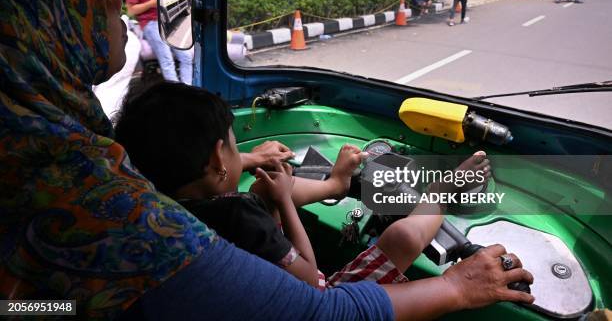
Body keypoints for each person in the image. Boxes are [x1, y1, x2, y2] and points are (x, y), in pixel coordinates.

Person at [0, 0, 535, 319]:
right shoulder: (104, 202)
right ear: (47, 6)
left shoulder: (64, 160)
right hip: (321, 292)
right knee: (401, 241)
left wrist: (325, 185)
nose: (115, 6)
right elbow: (318, 307)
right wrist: (460, 287)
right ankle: (452, 188)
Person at [114, 82, 495, 291]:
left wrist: (254, 164)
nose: (238, 152)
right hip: (314, 301)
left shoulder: (158, 203)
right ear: (216, 160)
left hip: (242, 290)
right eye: (233, 145)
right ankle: (444, 191)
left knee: (263, 189)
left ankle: (335, 185)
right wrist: (285, 202)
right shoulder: (239, 215)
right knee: (400, 240)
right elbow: (311, 280)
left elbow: (246, 186)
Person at [125, 0, 194, 84]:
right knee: (167, 59)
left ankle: (187, 89)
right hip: (150, 23)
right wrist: (151, 4)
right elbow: (131, 11)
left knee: (186, 57)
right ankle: (175, 92)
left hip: (169, 20)